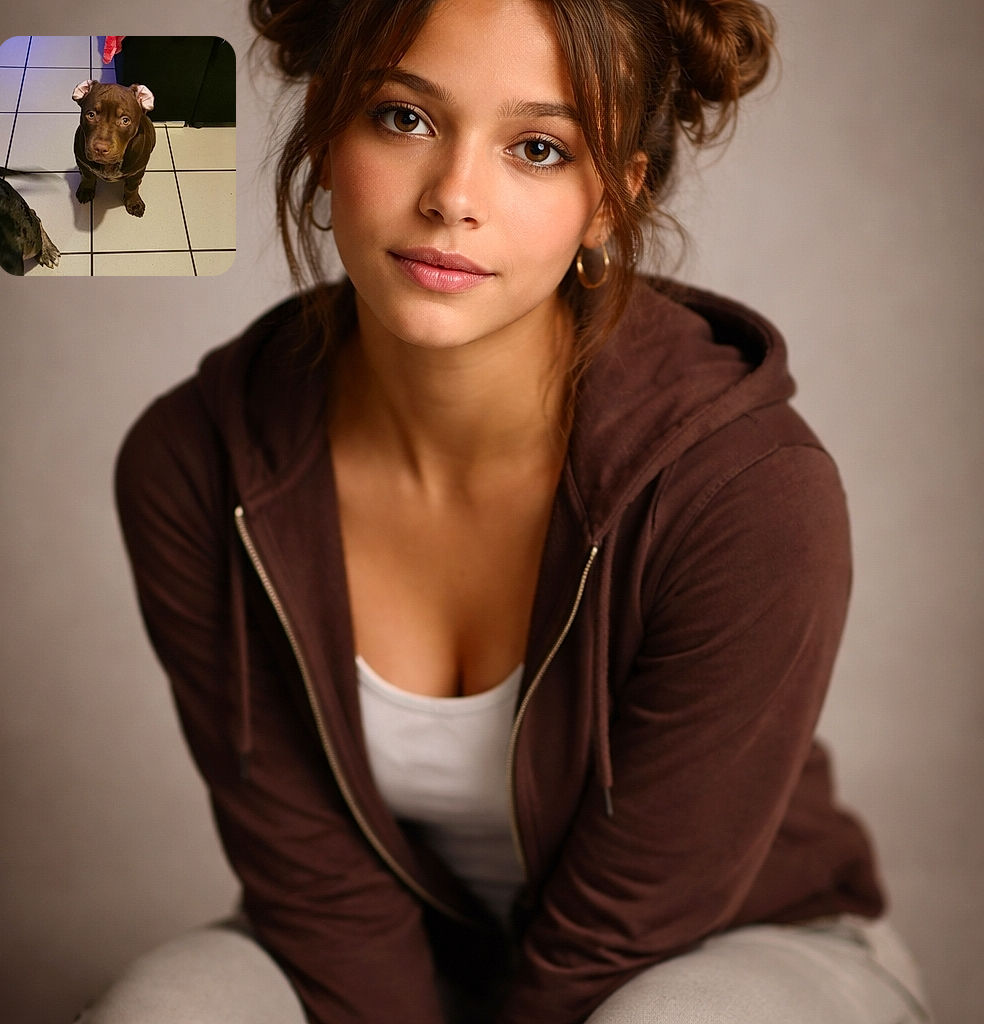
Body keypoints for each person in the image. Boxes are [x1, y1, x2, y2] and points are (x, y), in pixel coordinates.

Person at [94, 0, 932, 1021]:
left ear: (611, 200)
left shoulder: (748, 492)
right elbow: (314, 883)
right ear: (323, 133)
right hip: (393, 950)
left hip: (722, 949)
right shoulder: (192, 464)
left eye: (538, 149)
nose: (453, 197)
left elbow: (625, 926)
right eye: (403, 118)